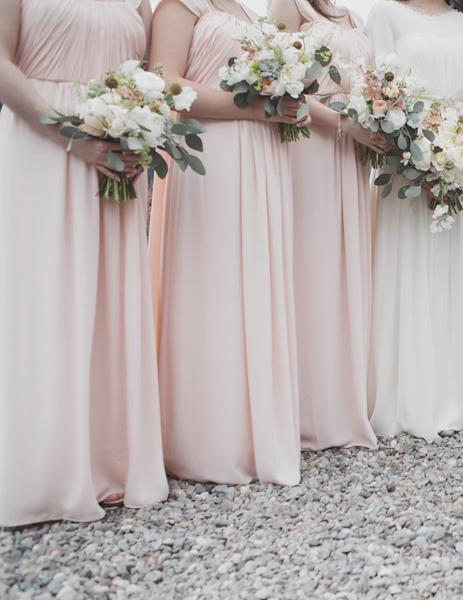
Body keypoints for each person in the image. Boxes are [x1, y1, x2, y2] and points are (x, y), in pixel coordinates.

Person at [0, 0, 168, 526]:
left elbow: (142, 76)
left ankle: (105, 461)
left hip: (115, 153)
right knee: (44, 295)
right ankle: (38, 469)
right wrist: (73, 136)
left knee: (106, 300)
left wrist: (140, 132)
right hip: (43, 146)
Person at [149, 0, 306, 485]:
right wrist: (259, 107)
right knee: (210, 288)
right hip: (207, 156)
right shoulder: (179, 5)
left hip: (262, 158)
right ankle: (204, 438)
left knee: (254, 285)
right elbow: (165, 85)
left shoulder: (253, 12)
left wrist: (288, 104)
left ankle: (253, 431)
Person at [365, 0, 463, 441]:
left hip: (461, 155)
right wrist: (411, 155)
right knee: (411, 268)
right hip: (407, 152)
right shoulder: (385, 15)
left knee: (457, 271)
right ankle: (411, 396)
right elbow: (377, 93)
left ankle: (460, 394)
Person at [269, 0, 385, 450]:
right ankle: (302, 409)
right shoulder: (289, 4)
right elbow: (280, 85)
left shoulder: (352, 16)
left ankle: (340, 402)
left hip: (351, 153)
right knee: (310, 267)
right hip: (310, 146)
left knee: (342, 271)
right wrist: (345, 124)